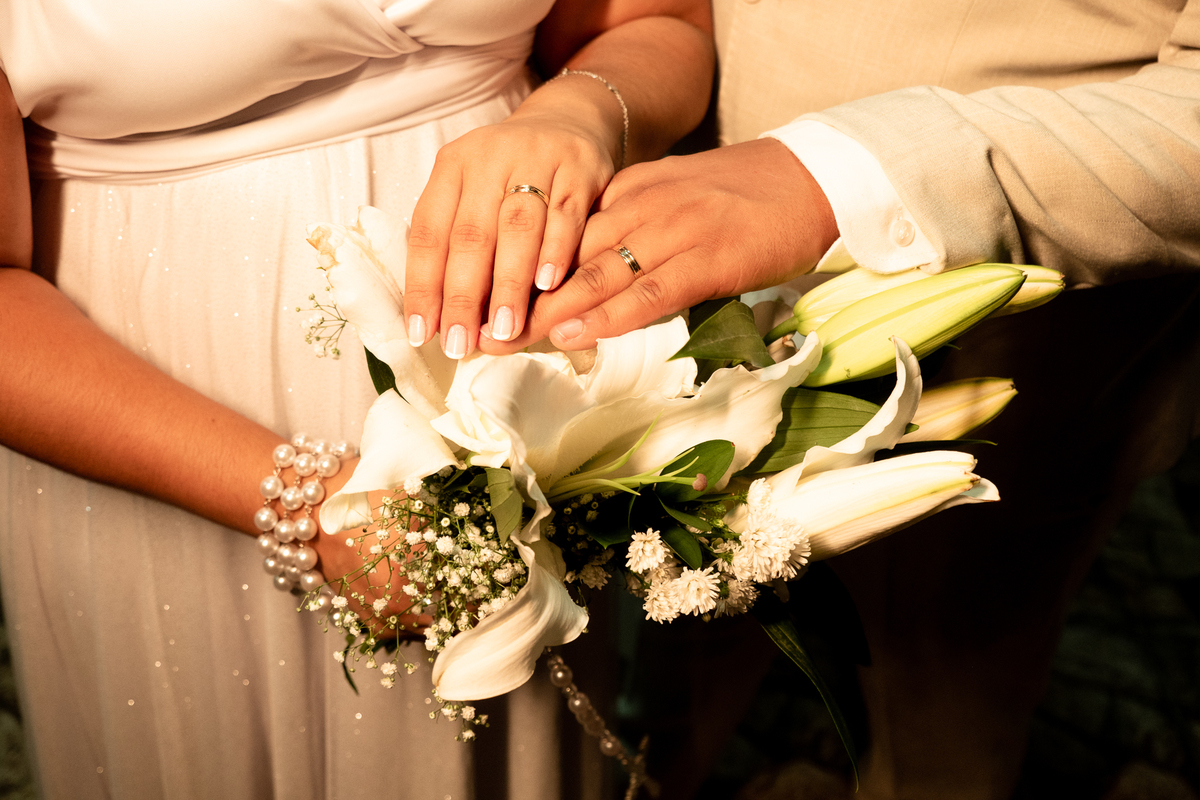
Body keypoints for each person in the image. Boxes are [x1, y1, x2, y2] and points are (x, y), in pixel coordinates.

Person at [475, 0, 1200, 797]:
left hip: (1024, 315)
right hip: (674, 236)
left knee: (944, 682)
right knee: (670, 652)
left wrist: (841, 180)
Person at [0, 0, 711, 797]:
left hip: (520, 381)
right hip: (150, 424)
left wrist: (580, 108)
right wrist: (311, 506)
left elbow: (666, 25)